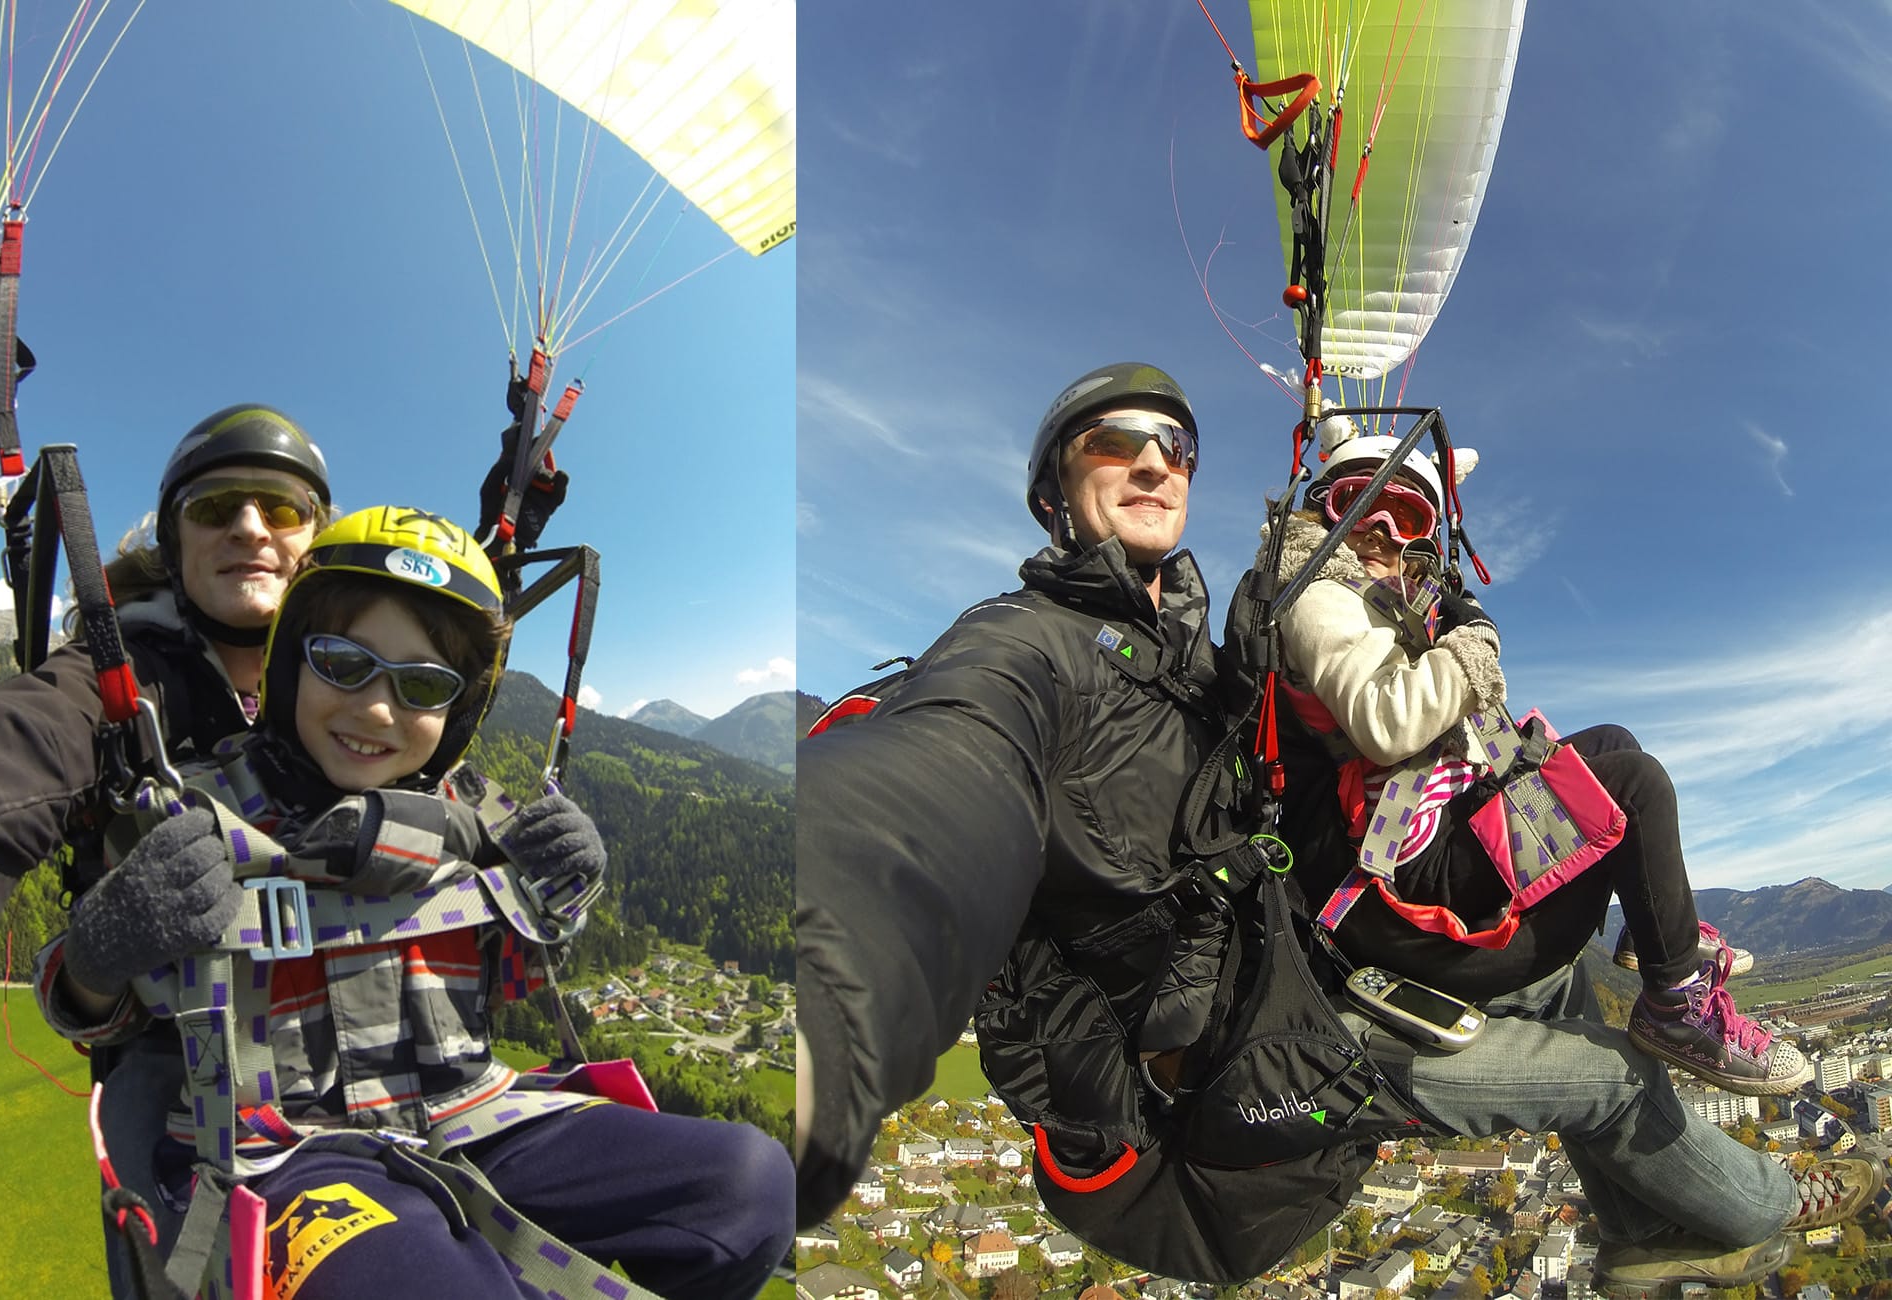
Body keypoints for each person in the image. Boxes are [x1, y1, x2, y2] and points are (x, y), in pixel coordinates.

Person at [796, 362, 1882, 1294]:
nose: (1152, 463)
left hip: (1299, 966)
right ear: (1051, 492)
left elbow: (1303, 735)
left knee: (1564, 984)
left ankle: (1642, 1227)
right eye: (1112, 443)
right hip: (1247, 1065)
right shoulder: (1024, 649)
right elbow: (943, 769)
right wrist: (849, 975)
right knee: (1612, 1079)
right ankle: (1764, 1209)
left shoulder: (1184, 657)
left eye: (1174, 446)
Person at [35, 506, 793, 1300]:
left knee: (748, 1183)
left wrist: (560, 896)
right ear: (290, 664)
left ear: (457, 710)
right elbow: (87, 1006)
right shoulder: (197, 814)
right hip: (286, 1150)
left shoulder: (479, 816)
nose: (376, 709)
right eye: (342, 662)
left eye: (422, 684)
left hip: (476, 1112)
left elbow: (511, 974)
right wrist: (102, 950)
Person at [0, 403, 331, 1297]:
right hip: (180, 1089)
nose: (251, 527)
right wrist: (96, 961)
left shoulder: (359, 679)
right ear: (175, 544)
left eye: (281, 508)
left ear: (314, 542)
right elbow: (1, 754)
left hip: (362, 1052)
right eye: (217, 507)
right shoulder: (120, 682)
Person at [1266, 416, 1810, 1096]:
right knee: (1635, 785)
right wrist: (1474, 643)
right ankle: (1674, 1007)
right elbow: (1389, 722)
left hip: (1435, 822)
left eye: (1405, 516)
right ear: (1324, 507)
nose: (1380, 531)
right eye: (1359, 505)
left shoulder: (1379, 601)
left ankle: (1654, 936)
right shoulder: (1318, 594)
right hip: (1414, 866)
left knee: (1611, 743)